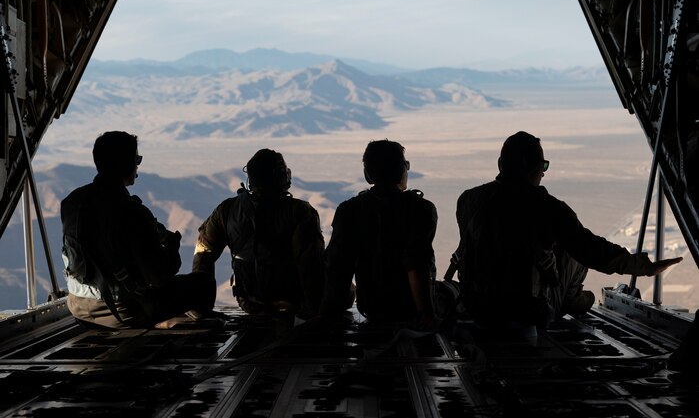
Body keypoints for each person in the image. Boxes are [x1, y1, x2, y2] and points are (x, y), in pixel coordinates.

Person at [454, 131, 681, 328]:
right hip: (526, 313)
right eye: (543, 166)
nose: (543, 173)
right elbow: (592, 250)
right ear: (531, 167)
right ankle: (570, 299)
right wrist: (643, 267)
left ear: (500, 165)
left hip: (476, 308)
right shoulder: (547, 208)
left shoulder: (468, 201)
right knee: (575, 253)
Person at [61, 131, 215, 329]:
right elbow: (159, 278)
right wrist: (172, 250)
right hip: (122, 312)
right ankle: (184, 324)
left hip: (78, 307)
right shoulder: (131, 212)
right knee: (203, 284)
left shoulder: (72, 203)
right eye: (136, 159)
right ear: (126, 164)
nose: (137, 165)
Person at [192, 148, 325, 319]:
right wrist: (314, 311)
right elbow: (311, 265)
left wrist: (201, 307)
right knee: (348, 289)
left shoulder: (226, 210)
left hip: (250, 302)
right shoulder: (299, 212)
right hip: (293, 301)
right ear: (281, 177)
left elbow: (203, 255)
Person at [321, 140, 439, 329]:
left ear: (367, 174)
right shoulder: (421, 209)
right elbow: (417, 263)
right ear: (402, 170)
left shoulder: (349, 210)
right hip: (409, 310)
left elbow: (338, 268)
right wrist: (427, 315)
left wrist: (328, 315)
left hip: (372, 308)